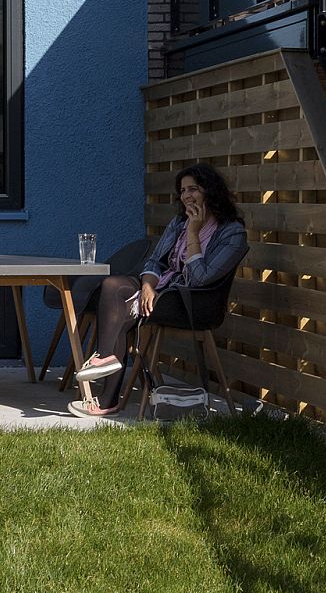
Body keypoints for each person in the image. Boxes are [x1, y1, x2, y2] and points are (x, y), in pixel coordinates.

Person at [74, 162, 247, 413]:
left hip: (193, 302)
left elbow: (200, 279)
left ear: (211, 191)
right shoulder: (179, 222)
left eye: (194, 189)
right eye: (183, 190)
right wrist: (146, 287)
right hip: (163, 290)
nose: (187, 195)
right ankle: (104, 357)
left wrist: (194, 234)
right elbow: (155, 261)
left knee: (120, 310)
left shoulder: (232, 233)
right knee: (113, 286)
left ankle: (108, 397)